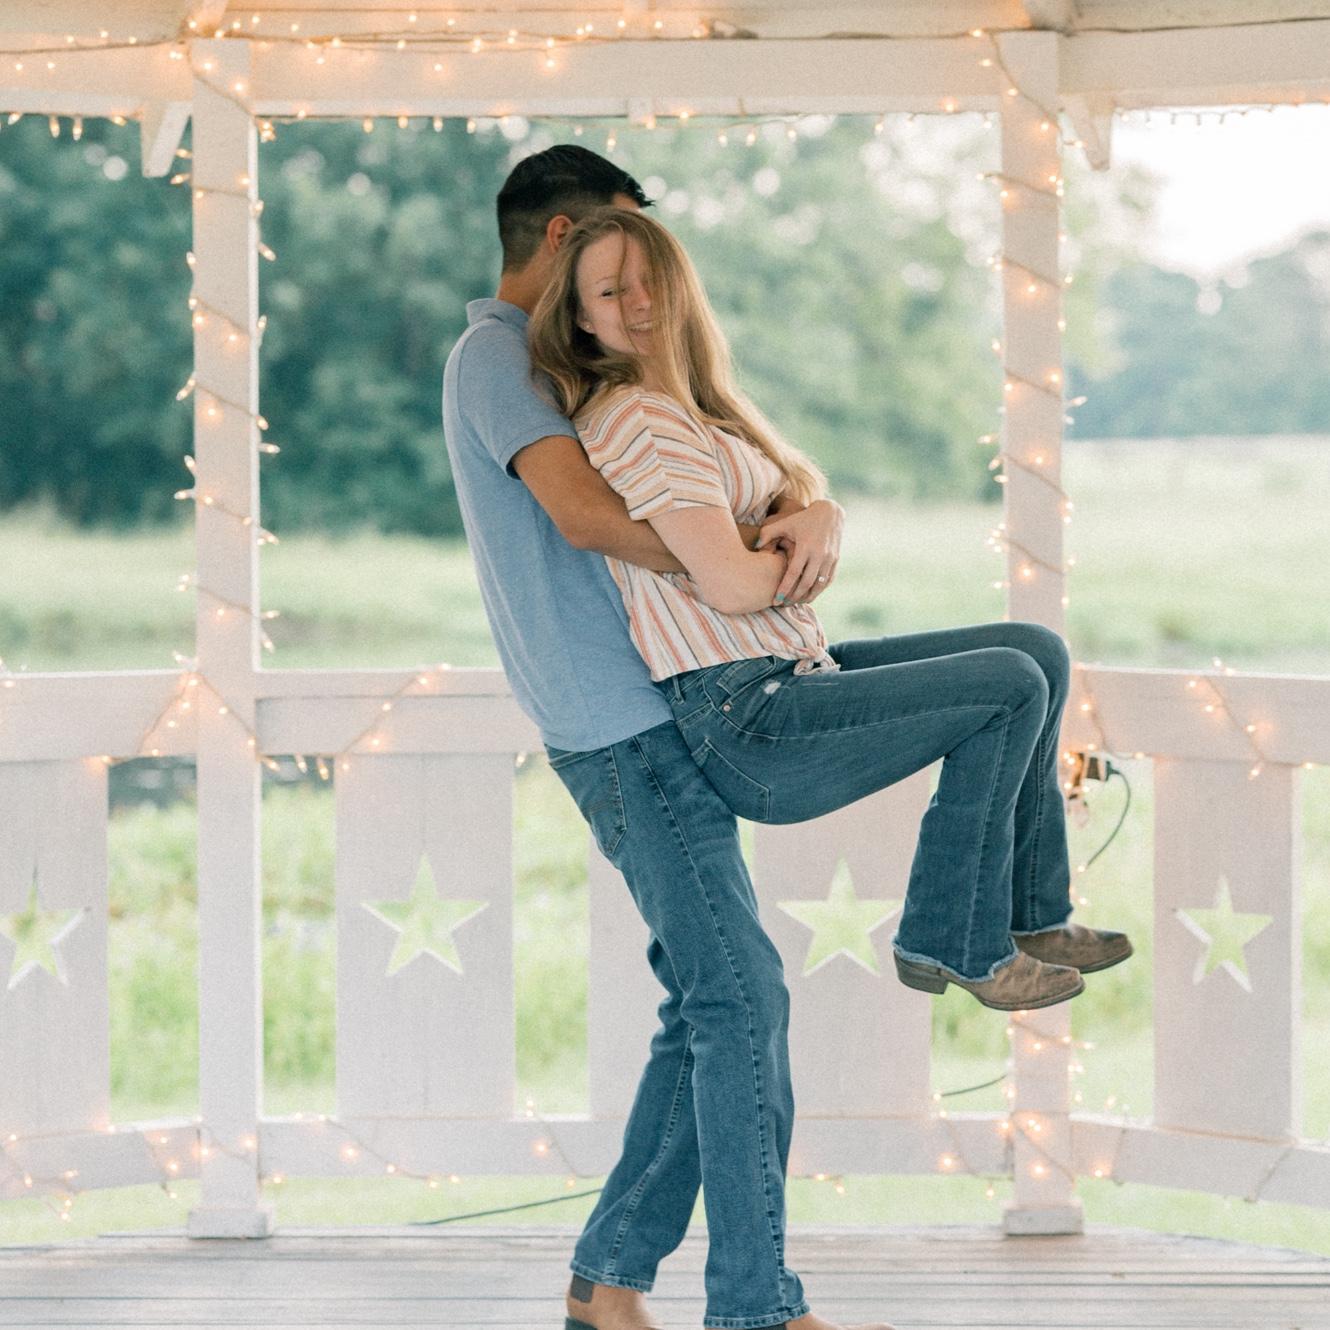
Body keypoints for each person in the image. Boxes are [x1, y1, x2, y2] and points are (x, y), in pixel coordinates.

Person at [442, 146, 889, 1330]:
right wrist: (730, 557)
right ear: (560, 239)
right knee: (737, 999)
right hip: (620, 725)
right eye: (612, 250)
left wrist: (798, 513)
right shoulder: (494, 357)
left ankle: (608, 1282)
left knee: (711, 1002)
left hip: (656, 706)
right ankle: (755, 1306)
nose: (635, 284)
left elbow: (694, 470)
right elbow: (587, 515)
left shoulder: (566, 367)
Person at [526, 204, 1134, 1008]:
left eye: (650, 282)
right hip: (745, 715)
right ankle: (949, 938)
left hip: (789, 670)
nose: (638, 303)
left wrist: (816, 517)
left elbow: (785, 509)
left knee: (1038, 650)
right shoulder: (640, 419)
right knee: (1011, 683)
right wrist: (787, 545)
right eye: (610, 292)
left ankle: (1032, 914)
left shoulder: (694, 407)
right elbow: (731, 585)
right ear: (581, 318)